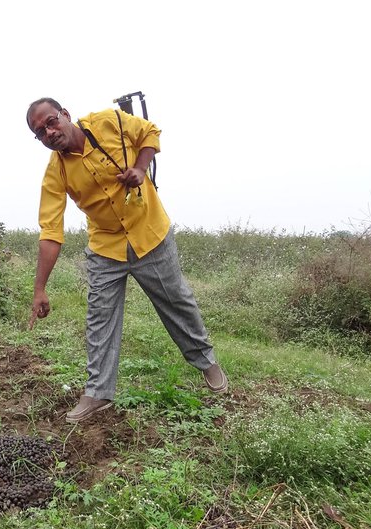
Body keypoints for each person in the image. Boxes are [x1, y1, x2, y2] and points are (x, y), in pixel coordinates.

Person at [26, 97, 228, 424]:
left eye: (51, 122)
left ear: (65, 114)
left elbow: (149, 132)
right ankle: (98, 393)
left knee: (176, 300)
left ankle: (206, 362)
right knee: (99, 317)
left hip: (150, 232)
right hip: (106, 246)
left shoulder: (108, 122)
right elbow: (50, 231)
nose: (49, 132)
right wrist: (39, 289)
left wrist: (140, 168)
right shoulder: (56, 173)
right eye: (40, 132)